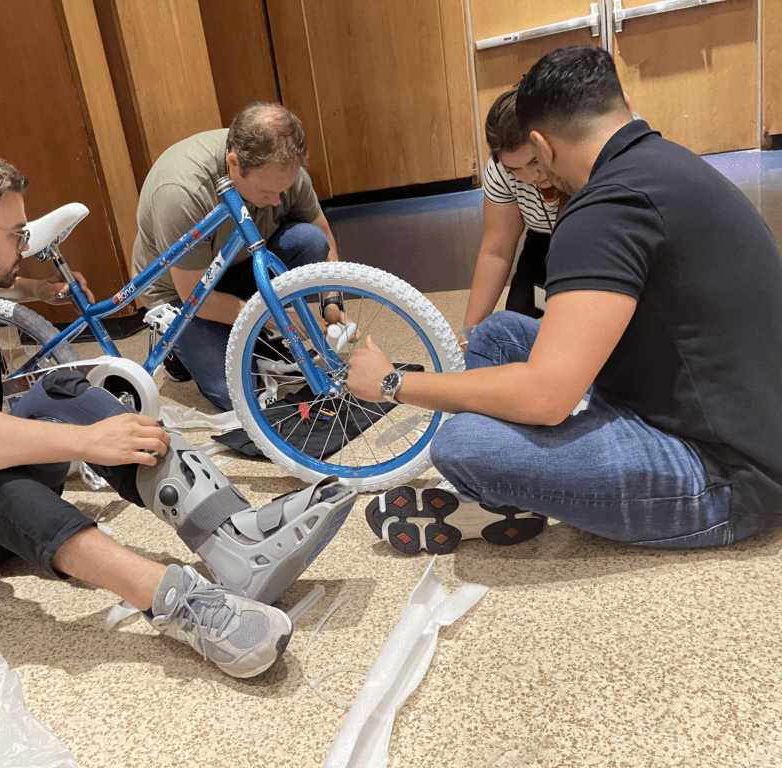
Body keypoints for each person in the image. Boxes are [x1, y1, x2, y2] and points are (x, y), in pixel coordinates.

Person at [0, 146, 357, 679]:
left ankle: (231, 536)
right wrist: (85, 444)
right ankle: (174, 600)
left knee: (59, 389)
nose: (24, 245)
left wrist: (36, 289)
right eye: (16, 234)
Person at [350, 45, 782, 551]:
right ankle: (525, 484)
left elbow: (547, 397)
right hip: (727, 415)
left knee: (461, 444)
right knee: (499, 333)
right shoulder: (669, 163)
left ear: (542, 144)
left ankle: (505, 487)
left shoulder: (604, 209)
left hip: (726, 475)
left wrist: (393, 382)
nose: (536, 178)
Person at [131, 102, 344, 410]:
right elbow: (195, 296)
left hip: (243, 264)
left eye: (281, 192)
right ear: (233, 162)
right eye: (265, 193)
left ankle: (249, 331)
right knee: (236, 395)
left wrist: (332, 303)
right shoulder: (181, 193)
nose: (274, 202)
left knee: (308, 241)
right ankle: (180, 351)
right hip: (184, 293)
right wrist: (277, 319)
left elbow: (324, 239)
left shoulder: (284, 173)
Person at [459, 88, 568, 349]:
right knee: (517, 328)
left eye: (534, 162)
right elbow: (496, 249)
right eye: (514, 169)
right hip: (542, 242)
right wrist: (466, 338)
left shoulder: (574, 154)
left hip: (591, 243)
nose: (530, 178)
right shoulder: (499, 169)